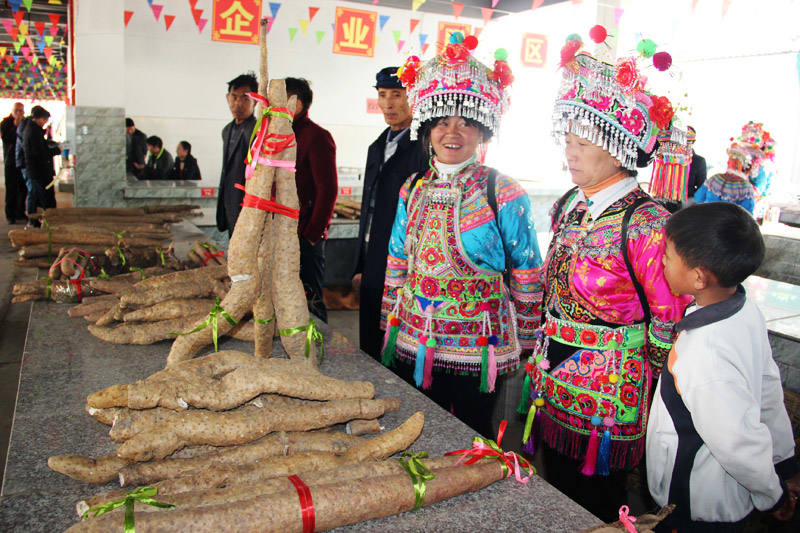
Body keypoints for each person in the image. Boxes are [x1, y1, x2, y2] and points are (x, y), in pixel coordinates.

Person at [521, 35, 691, 522]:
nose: (569, 154)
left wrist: (657, 394)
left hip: (608, 392)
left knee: (594, 501)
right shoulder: (569, 205)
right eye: (567, 142)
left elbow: (668, 317)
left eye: (582, 143)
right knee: (555, 487)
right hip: (554, 372)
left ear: (618, 147)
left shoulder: (648, 222)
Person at [381, 34, 543, 439]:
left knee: (473, 434)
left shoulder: (503, 192)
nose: (452, 133)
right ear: (427, 129)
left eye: (466, 123)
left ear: (483, 132)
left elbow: (527, 272)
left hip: (480, 349)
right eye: (442, 122)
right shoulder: (412, 187)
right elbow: (397, 260)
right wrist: (390, 322)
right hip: (415, 339)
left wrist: (525, 342)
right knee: (420, 431)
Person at [647, 202, 800, 531]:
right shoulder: (743, 309)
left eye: (668, 256)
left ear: (699, 277)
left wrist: (772, 495)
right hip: (724, 495)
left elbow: (735, 440)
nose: (661, 261)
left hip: (696, 504)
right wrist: (785, 464)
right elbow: (768, 390)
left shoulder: (704, 350)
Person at [353, 66, 426, 360]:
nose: (389, 104)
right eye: (383, 95)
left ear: (414, 98)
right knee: (368, 336)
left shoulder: (422, 148)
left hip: (402, 264)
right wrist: (358, 262)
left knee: (395, 340)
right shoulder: (376, 146)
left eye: (397, 95)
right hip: (373, 259)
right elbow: (366, 211)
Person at [285, 77, 338, 323]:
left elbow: (327, 190)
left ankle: (318, 350)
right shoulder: (279, 134)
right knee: (286, 295)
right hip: (282, 233)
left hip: (305, 234)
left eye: (286, 99)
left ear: (299, 103)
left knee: (309, 297)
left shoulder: (316, 136)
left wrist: (312, 234)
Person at [216, 72, 258, 237]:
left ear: (256, 101)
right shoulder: (227, 130)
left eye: (245, 98)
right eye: (234, 97)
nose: (238, 103)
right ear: (228, 98)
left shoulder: (257, 130)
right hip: (229, 202)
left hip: (248, 206)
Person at [694, 140, 761, 215]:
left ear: (728, 163)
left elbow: (698, 198)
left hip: (708, 220)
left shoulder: (714, 179)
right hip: (729, 225)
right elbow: (747, 214)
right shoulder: (746, 187)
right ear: (741, 166)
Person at [21, 106, 61, 225]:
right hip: (37, 171)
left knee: (37, 197)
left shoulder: (33, 130)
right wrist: (56, 151)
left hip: (36, 170)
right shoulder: (33, 132)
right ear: (39, 119)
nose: (45, 123)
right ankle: (34, 221)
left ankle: (35, 221)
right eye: (44, 120)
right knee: (37, 197)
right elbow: (39, 152)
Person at [1, 102, 26, 223]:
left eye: (21, 111)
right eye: (17, 110)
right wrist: (16, 126)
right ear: (12, 111)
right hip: (10, 161)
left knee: (23, 188)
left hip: (22, 160)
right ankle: (10, 214)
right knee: (11, 188)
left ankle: (20, 212)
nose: (19, 113)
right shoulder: (5, 123)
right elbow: (7, 139)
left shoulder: (26, 122)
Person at [685, 126, 707, 201]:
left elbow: (701, 186)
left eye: (688, 139)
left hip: (687, 201)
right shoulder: (667, 158)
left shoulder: (699, 161)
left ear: (693, 141)